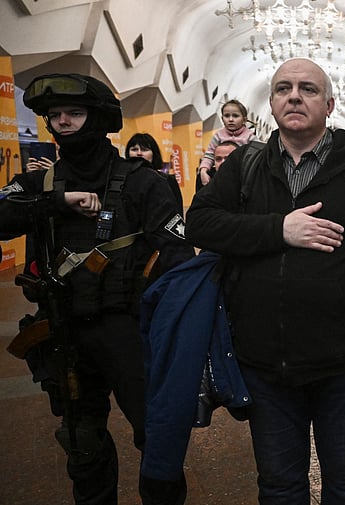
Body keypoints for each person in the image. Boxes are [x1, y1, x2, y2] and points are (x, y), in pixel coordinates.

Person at [186, 58, 345, 504]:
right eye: (283, 88)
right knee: (279, 485)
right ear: (270, 104)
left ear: (328, 105)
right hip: (266, 365)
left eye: (307, 89)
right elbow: (200, 224)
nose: (294, 96)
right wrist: (278, 230)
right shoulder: (247, 165)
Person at [0, 73, 194, 504]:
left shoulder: (145, 183)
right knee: (82, 444)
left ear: (98, 118)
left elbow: (179, 257)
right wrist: (56, 200)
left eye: (74, 113)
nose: (64, 122)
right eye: (55, 116)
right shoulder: (41, 185)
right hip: (65, 333)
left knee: (157, 440)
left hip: (131, 332)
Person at [197, 99, 256, 187]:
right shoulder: (218, 136)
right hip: (221, 177)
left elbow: (257, 158)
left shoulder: (250, 137)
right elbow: (209, 156)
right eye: (227, 116)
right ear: (222, 119)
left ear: (244, 120)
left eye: (235, 116)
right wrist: (203, 170)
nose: (231, 119)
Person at [126, 132, 183, 210]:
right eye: (134, 149)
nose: (139, 153)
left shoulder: (168, 180)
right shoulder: (122, 179)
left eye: (144, 150)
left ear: (154, 154)